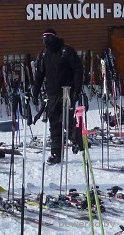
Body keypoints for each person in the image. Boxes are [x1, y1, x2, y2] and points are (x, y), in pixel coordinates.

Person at [31, 28, 84, 165]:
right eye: (43, 38)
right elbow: (39, 74)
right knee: (54, 124)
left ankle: (78, 141)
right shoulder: (44, 54)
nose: (46, 41)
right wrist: (35, 91)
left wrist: (77, 90)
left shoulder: (66, 51)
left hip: (67, 92)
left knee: (67, 120)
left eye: (48, 38)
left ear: (54, 38)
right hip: (52, 94)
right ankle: (56, 153)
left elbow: (78, 70)